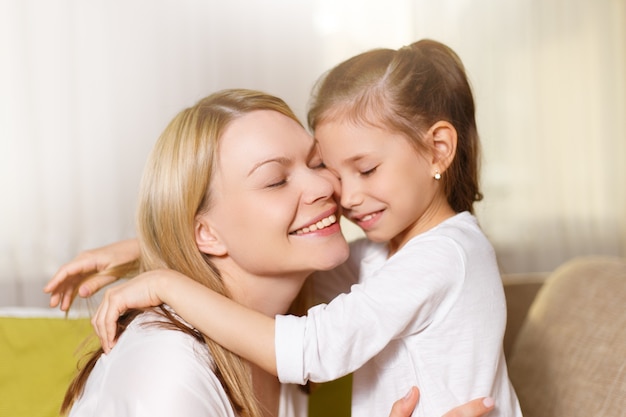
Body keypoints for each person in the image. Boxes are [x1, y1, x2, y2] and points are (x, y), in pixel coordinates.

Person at [49, 88, 495, 417]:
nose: (325, 186)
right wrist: (159, 267)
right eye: (276, 180)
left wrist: (144, 255)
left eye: (318, 163)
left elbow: (401, 263)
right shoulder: (169, 367)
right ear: (206, 235)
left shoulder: (279, 331)